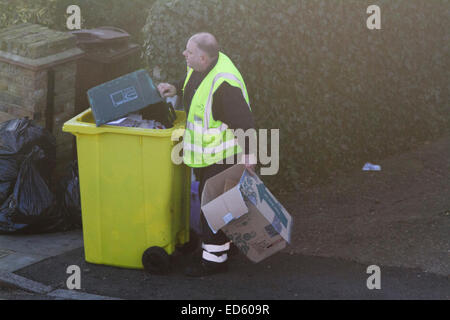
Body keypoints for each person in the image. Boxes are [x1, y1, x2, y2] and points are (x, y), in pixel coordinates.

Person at [157, 32, 256, 277]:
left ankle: (213, 260)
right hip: (207, 155)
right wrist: (174, 88)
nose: (184, 54)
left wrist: (250, 154)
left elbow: (243, 120)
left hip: (224, 155)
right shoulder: (202, 66)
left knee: (211, 206)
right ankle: (225, 247)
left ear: (203, 57)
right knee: (221, 204)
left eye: (188, 52)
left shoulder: (225, 83)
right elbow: (193, 84)